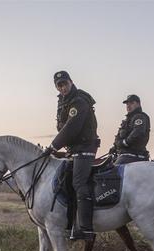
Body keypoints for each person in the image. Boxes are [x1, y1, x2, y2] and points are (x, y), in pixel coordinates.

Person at [43, 70, 100, 241]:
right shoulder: (64, 102)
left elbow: (71, 128)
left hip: (85, 148)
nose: (62, 87)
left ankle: (86, 228)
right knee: (63, 180)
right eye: (59, 85)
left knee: (79, 182)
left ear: (71, 82)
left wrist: (53, 146)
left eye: (65, 83)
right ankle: (70, 223)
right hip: (74, 149)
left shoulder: (78, 101)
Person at [111, 94, 151, 165]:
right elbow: (119, 136)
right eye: (127, 104)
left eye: (132, 103)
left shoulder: (140, 117)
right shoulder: (127, 120)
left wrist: (124, 143)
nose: (128, 106)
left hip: (134, 155)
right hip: (124, 155)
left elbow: (138, 132)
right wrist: (115, 147)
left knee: (111, 172)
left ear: (138, 104)